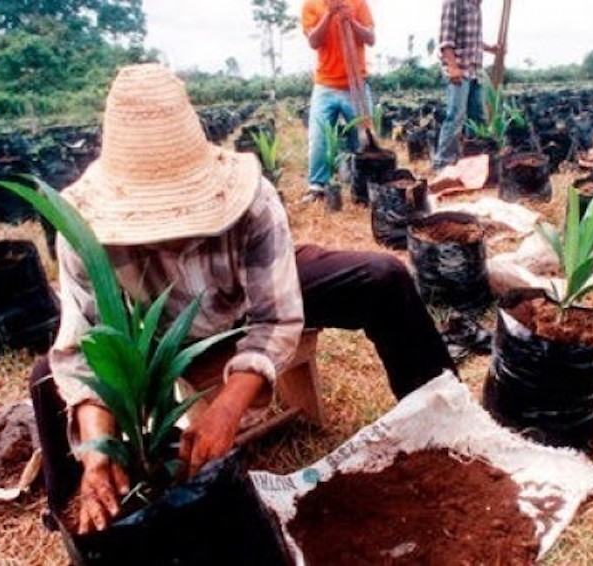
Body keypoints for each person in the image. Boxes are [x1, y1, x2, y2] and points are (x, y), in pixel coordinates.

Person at [31, 64, 456, 534]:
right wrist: (97, 453)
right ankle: (91, 516)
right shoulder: (84, 233)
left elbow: (275, 319)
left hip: (248, 300)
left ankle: (441, 420)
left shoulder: (251, 199)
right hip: (157, 336)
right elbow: (84, 352)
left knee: (383, 277)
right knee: (46, 379)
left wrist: (226, 410)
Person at [301, 0, 374, 202]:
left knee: (364, 139)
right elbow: (314, 41)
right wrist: (330, 14)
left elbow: (371, 38)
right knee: (318, 139)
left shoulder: (358, 3)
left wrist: (351, 21)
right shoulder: (311, 5)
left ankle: (365, 185)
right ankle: (317, 186)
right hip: (325, 85)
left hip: (356, 84)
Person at [432, 0, 501, 171]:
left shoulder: (476, 5)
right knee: (456, 116)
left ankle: (476, 160)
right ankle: (443, 163)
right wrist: (453, 67)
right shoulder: (454, 2)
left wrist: (490, 48)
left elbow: (473, 39)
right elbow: (446, 40)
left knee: (478, 118)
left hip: (474, 71)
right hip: (459, 69)